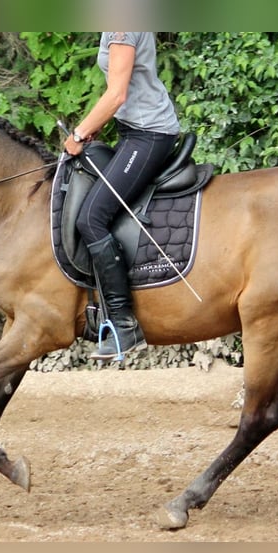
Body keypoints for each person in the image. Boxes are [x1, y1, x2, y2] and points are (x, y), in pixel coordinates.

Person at [64, 32, 180, 361]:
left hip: (148, 134)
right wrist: (96, 125)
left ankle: (123, 324)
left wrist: (79, 133)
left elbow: (116, 95)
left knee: (91, 218)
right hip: (134, 130)